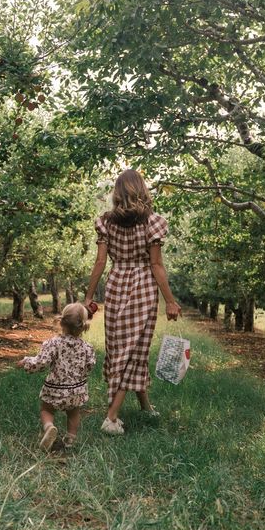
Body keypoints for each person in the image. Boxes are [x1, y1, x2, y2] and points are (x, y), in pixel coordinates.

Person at [84, 168, 182, 435]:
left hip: (116, 286)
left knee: (121, 349)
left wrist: (89, 297)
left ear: (118, 193)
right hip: (142, 288)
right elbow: (156, 265)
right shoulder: (153, 222)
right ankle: (111, 417)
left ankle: (145, 406)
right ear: (141, 190)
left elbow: (101, 262)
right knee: (134, 350)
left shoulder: (106, 222)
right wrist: (170, 301)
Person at [18, 302, 96, 451]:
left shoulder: (53, 343)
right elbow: (90, 365)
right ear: (82, 326)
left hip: (55, 389)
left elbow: (41, 362)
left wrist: (27, 361)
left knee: (46, 410)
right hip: (76, 391)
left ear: (61, 322)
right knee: (73, 413)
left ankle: (49, 427)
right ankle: (70, 440)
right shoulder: (87, 347)